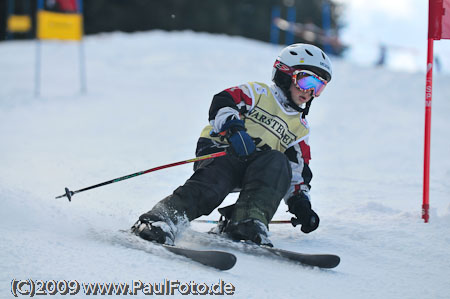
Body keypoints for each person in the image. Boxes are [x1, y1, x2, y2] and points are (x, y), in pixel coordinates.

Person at [131, 43, 333, 247]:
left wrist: (301, 205)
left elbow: (297, 170)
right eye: (306, 80)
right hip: (222, 152)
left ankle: (246, 221)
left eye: (319, 87)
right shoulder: (259, 93)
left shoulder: (299, 128)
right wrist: (234, 130)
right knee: (214, 184)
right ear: (285, 74)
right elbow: (224, 100)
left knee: (278, 162)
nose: (309, 92)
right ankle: (160, 219)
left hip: (256, 169)